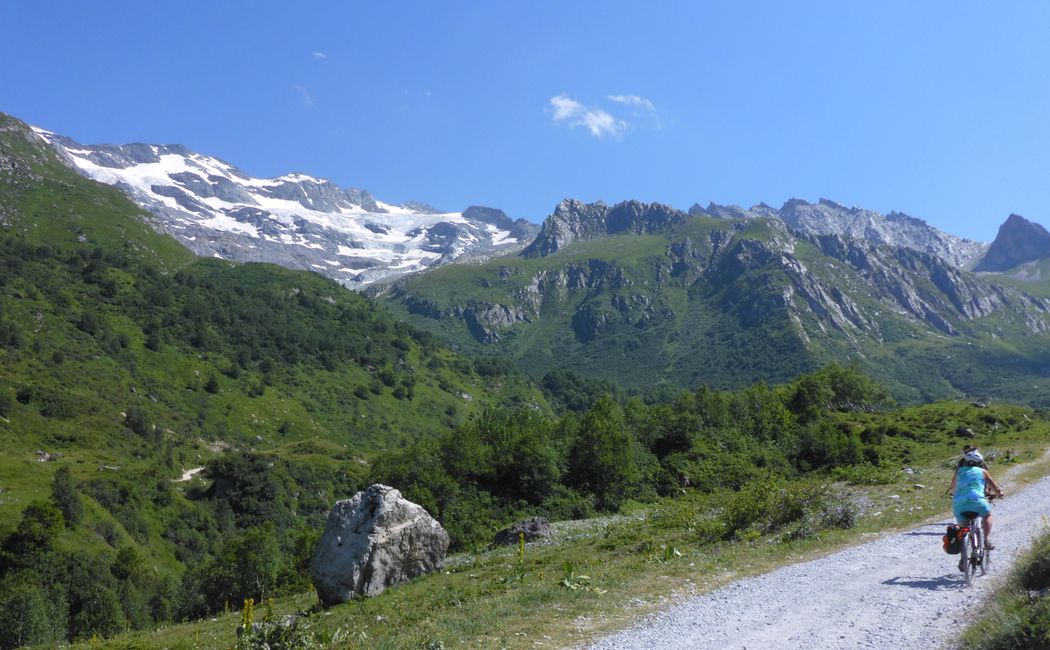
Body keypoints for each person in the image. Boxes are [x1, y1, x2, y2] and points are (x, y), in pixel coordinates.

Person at [948, 449, 1004, 549]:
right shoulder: (983, 472)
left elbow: (952, 488)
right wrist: (1000, 493)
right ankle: (987, 540)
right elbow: (995, 488)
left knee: (963, 528)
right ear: (980, 462)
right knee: (987, 515)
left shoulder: (959, 471)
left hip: (959, 505)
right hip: (978, 502)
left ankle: (963, 556)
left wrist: (953, 493)